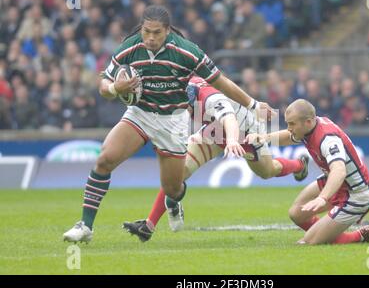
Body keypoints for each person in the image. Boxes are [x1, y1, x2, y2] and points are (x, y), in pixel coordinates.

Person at [63, 5, 274, 243]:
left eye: (157, 33)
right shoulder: (130, 47)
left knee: (172, 188)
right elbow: (104, 85)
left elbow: (222, 82)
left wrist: (253, 105)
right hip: (140, 113)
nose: (151, 38)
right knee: (104, 160)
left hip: (172, 120)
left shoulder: (187, 51)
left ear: (168, 31)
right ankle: (85, 227)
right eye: (146, 31)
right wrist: (114, 88)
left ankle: (174, 203)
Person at [122, 76, 308, 242]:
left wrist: (233, 140)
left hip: (245, 132)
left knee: (268, 171)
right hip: (213, 130)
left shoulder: (210, 99)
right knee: (177, 172)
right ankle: (149, 225)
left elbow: (230, 120)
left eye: (184, 106)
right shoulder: (179, 88)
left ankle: (299, 165)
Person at [246, 99, 369, 245]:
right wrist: (264, 138)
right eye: (288, 123)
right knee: (296, 214)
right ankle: (326, 231)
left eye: (292, 124)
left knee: (307, 242)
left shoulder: (328, 139)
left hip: (356, 193)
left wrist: (322, 198)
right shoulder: (310, 126)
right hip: (338, 184)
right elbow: (289, 137)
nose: (289, 128)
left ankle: (358, 236)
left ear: (307, 122)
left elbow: (339, 171)